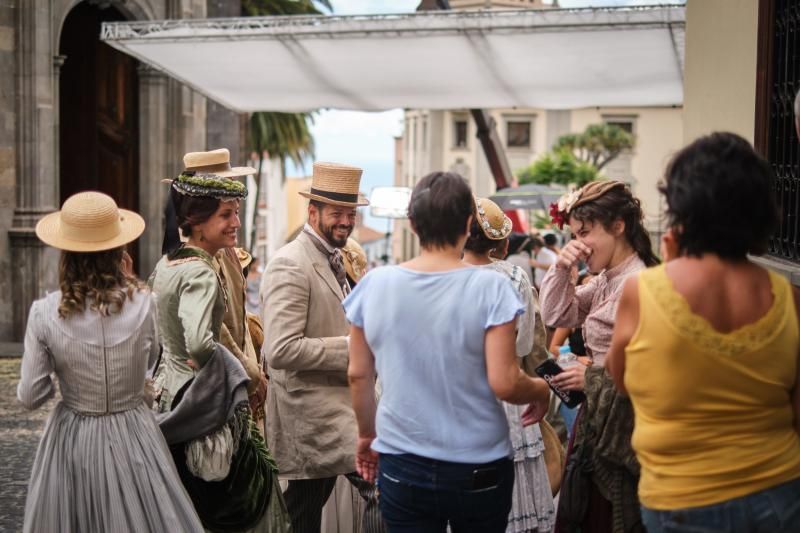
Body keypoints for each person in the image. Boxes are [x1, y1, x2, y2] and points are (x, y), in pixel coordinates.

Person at [606, 132, 800, 532]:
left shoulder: (644, 291)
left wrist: (673, 266)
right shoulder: (790, 299)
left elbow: (622, 381)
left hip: (681, 500)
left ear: (682, 207)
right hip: (779, 493)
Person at [345, 171, 551, 532]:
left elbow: (358, 374)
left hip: (402, 459)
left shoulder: (376, 285)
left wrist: (366, 435)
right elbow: (505, 381)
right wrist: (540, 390)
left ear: (411, 223)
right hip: (479, 463)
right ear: (468, 223)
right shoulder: (491, 286)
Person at [18, 191, 203, 532]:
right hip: (135, 433)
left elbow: (30, 395)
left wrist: (61, 375)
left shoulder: (44, 313)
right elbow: (149, 362)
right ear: (119, 251)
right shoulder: (146, 304)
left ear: (66, 252)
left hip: (73, 439)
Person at [150, 153, 288, 533]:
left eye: (236, 212)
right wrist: (232, 373)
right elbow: (198, 342)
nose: (236, 223)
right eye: (226, 215)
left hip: (169, 396)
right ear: (196, 220)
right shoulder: (201, 272)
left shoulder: (168, 264)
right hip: (201, 408)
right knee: (237, 507)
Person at [260, 161, 384, 533]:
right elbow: (280, 349)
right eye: (337, 213)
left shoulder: (334, 258)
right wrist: (354, 348)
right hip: (314, 418)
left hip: (334, 415)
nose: (346, 221)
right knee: (386, 490)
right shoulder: (290, 264)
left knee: (303, 512)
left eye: (350, 213)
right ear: (312, 212)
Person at [539, 179, 659, 533]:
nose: (580, 245)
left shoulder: (639, 281)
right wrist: (561, 269)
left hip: (623, 424)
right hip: (596, 417)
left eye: (586, 233)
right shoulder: (607, 279)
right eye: (575, 235)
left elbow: (651, 367)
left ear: (618, 226)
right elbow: (557, 315)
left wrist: (591, 378)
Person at [462, 197, 556, 533]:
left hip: (456, 397)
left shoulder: (439, 275)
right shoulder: (513, 277)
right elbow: (525, 345)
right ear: (500, 242)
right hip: (507, 395)